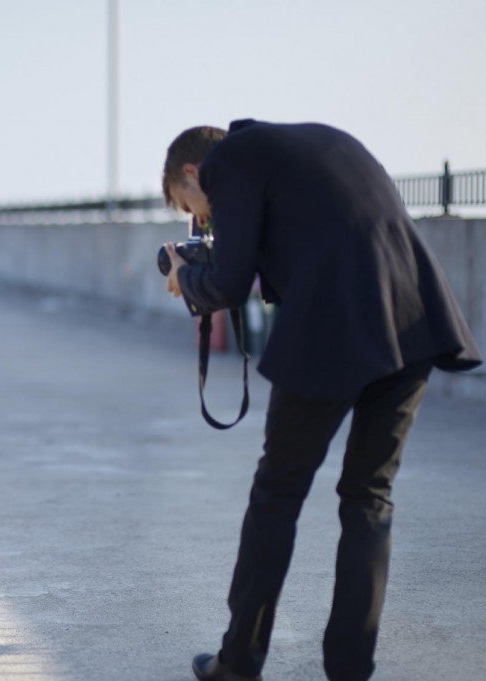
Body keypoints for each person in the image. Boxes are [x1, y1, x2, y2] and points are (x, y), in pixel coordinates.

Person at [161, 121, 481, 681]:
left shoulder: (228, 163)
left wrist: (188, 279)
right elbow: (325, 233)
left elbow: (230, 284)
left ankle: (238, 662)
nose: (201, 219)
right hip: (413, 318)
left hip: (334, 324)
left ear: (193, 172)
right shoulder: (307, 145)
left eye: (188, 205)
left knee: (276, 494)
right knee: (369, 498)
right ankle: (351, 669)